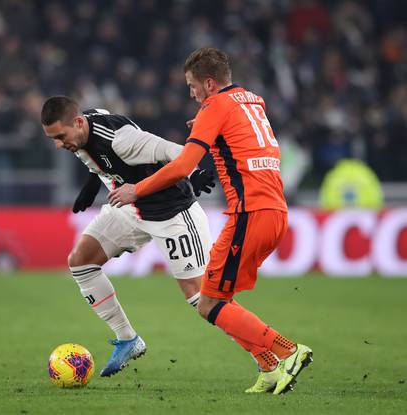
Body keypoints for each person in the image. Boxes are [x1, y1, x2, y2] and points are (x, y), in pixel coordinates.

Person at [108, 48, 313, 394]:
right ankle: (268, 367)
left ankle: (288, 350)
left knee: (208, 303)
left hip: (249, 214)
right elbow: (240, 135)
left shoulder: (216, 106)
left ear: (208, 82)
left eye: (192, 86)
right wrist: (208, 123)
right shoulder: (251, 100)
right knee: (220, 300)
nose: (191, 94)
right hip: (276, 213)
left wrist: (136, 190)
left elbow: (182, 166)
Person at [41, 96, 215, 377]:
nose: (59, 144)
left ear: (78, 122)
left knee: (201, 298)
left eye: (60, 136)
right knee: (81, 261)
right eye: (53, 139)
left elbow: (174, 150)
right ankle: (128, 339)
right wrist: (91, 180)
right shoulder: (83, 128)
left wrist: (194, 173)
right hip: (132, 209)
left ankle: (261, 351)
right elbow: (97, 140)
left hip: (172, 214)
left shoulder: (123, 140)